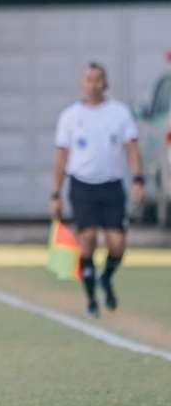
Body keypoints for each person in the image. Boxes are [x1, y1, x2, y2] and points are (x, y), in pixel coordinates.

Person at [50, 62, 144, 318]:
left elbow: (132, 149)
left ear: (105, 83)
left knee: (117, 243)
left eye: (98, 79)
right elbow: (61, 156)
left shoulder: (119, 113)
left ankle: (106, 277)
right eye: (88, 80)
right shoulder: (70, 116)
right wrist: (55, 193)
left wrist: (138, 179)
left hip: (111, 186)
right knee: (87, 241)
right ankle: (91, 299)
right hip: (82, 186)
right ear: (82, 84)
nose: (93, 85)